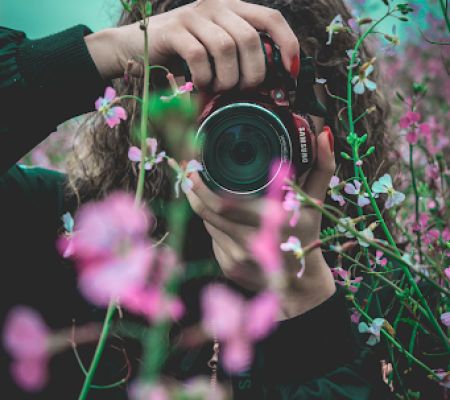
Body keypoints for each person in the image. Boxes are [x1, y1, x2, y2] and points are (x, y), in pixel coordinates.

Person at [0, 0, 397, 398]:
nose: (244, 127)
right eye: (213, 96)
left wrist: (308, 297)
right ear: (151, 110)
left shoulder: (392, 299)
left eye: (278, 96)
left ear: (335, 115)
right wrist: (108, 51)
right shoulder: (71, 233)